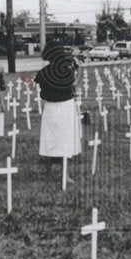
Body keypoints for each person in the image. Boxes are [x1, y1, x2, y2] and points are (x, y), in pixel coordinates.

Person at [35, 42, 81, 183]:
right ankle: (65, 175)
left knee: (50, 138)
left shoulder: (42, 72)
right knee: (65, 139)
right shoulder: (67, 70)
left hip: (50, 107)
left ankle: (48, 173)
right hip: (66, 107)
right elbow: (73, 86)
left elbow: (42, 94)